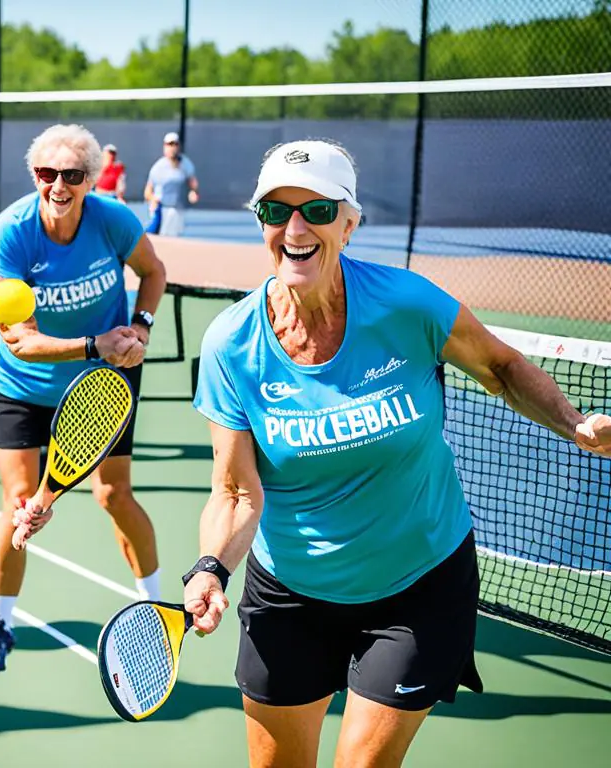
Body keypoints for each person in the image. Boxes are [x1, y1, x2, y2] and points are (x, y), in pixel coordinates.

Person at [155, 139, 605, 767]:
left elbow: (500, 367)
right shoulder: (234, 345)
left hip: (417, 585)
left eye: (316, 209)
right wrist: (210, 567)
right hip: (291, 589)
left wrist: (574, 423)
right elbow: (234, 492)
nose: (294, 228)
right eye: (274, 211)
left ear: (349, 222)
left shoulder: (407, 304)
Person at [0, 124, 168, 678]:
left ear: (90, 180)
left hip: (106, 381)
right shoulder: (12, 233)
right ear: (34, 175)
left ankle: (154, 611)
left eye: (72, 175)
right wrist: (93, 345)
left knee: (114, 495)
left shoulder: (112, 221)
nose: (58, 184)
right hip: (21, 383)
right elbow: (23, 342)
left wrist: (141, 329)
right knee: (19, 503)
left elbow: (153, 271)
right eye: (46, 173)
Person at [144, 131, 199, 237]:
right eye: (169, 144)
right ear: (164, 147)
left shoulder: (186, 164)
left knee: (174, 240)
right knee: (157, 239)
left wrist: (194, 192)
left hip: (177, 210)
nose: (172, 147)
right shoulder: (158, 167)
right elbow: (147, 191)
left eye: (175, 144)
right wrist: (153, 199)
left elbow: (193, 183)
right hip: (160, 210)